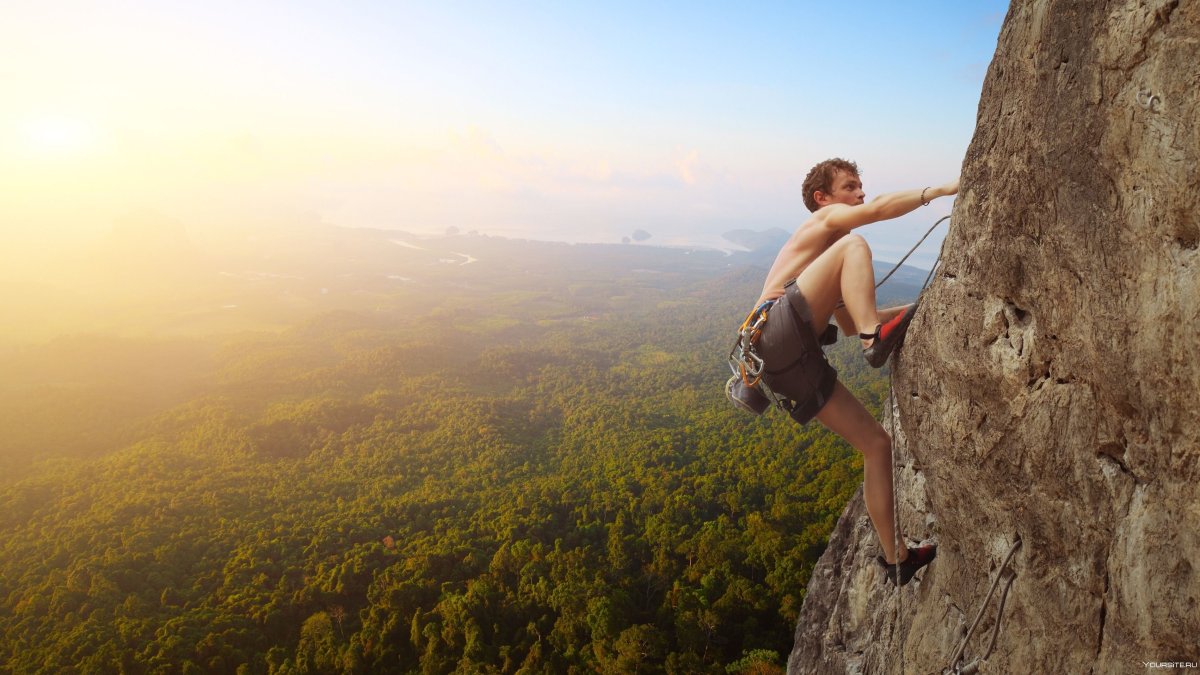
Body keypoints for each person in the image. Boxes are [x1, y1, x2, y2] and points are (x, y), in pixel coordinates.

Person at [752, 158, 958, 586]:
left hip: (784, 363)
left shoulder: (826, 267)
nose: (861, 194)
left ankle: (895, 557)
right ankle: (876, 338)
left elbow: (850, 324)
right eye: (851, 187)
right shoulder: (825, 224)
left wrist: (928, 304)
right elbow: (879, 210)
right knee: (856, 244)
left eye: (861, 187)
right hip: (775, 331)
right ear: (822, 198)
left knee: (876, 445)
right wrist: (938, 191)